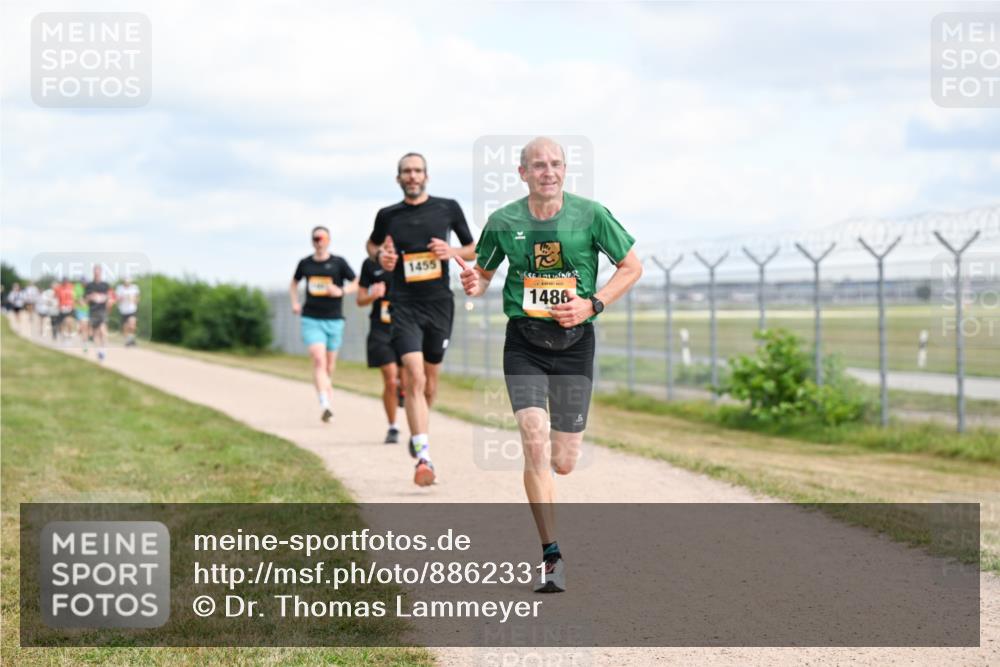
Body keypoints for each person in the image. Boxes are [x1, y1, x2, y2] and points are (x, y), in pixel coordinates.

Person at [459, 137, 642, 592]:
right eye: (538, 165)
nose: (549, 172)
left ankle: (561, 476)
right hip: (524, 342)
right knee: (534, 439)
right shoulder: (503, 221)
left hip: (576, 343)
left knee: (563, 461)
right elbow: (482, 274)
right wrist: (473, 282)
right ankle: (551, 555)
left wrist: (592, 304)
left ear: (565, 169)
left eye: (556, 164)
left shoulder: (591, 215)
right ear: (522, 173)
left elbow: (632, 267)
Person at [366, 152, 476, 487]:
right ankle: (424, 456)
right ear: (398, 179)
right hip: (403, 303)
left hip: (439, 304)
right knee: (412, 376)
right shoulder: (388, 215)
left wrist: (452, 252)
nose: (412, 176)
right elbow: (371, 246)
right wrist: (381, 256)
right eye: (406, 172)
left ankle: (419, 431)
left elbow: (473, 247)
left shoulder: (447, 208)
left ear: (426, 176)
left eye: (417, 171)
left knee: (429, 383)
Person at [290, 226, 357, 423]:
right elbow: (293, 284)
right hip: (311, 318)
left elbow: (357, 282)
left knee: (328, 366)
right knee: (318, 360)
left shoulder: (338, 263)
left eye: (322, 238)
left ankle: (327, 399)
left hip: (334, 319)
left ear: (329, 240)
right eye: (315, 238)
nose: (319, 241)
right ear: (312, 241)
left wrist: (341, 291)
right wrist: (295, 302)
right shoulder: (305, 263)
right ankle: (324, 403)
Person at [357, 256, 407, 444]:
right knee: (391, 380)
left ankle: (403, 392)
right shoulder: (370, 264)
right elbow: (360, 300)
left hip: (406, 329)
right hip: (381, 330)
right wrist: (373, 294)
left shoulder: (408, 255)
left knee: (407, 380)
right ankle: (393, 427)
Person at [84, 266, 112, 361]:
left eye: (98, 272)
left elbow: (110, 297)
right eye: (95, 272)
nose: (97, 274)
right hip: (93, 311)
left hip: (102, 310)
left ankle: (103, 350)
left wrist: (107, 302)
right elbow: (85, 300)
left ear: (101, 273)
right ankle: (99, 351)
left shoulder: (105, 285)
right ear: (93, 273)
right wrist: (91, 297)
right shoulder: (89, 285)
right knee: (95, 333)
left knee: (103, 331)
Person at [116, 277, 141, 346]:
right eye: (126, 282)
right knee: (125, 327)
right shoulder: (120, 288)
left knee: (132, 325)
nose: (127, 283)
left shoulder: (134, 288)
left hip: (132, 309)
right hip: (123, 310)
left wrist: (133, 299)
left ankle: (131, 339)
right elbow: (117, 299)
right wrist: (122, 298)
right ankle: (128, 340)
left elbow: (137, 299)